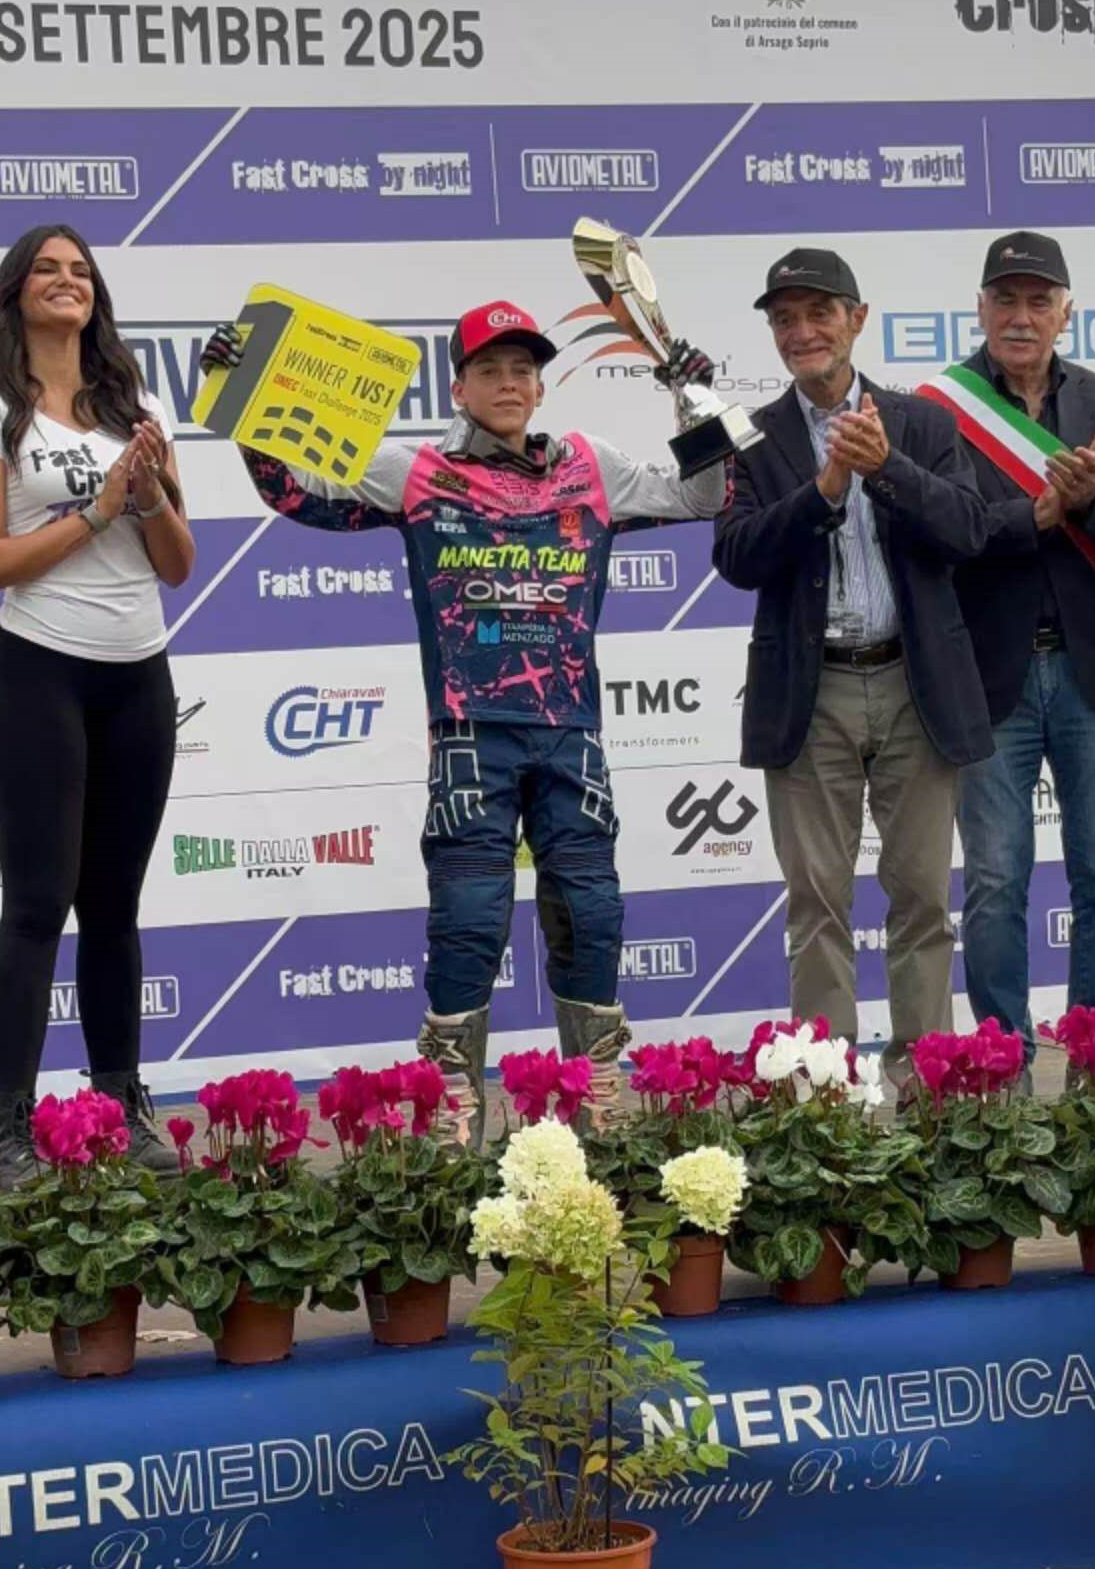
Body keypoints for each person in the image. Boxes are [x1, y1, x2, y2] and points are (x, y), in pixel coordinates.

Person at [203, 300, 726, 1144]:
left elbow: (706, 494)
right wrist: (239, 392)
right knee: (470, 918)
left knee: (590, 912)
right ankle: (452, 1111)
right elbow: (293, 490)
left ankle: (595, 1089)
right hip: (468, 732)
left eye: (523, 369)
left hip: (569, 731)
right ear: (460, 386)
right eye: (491, 369)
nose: (509, 382)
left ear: (541, 384)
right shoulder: (415, 471)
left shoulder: (589, 466)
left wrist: (692, 399)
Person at [672, 249, 991, 1094]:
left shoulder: (919, 423)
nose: (801, 332)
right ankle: (825, 1100)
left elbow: (965, 531)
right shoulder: (750, 435)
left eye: (819, 314)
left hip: (912, 684)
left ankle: (929, 1098)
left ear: (856, 319)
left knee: (922, 897)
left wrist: (886, 468)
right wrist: (823, 489)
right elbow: (734, 556)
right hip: (807, 693)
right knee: (816, 908)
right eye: (784, 319)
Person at [0, 225, 195, 1187]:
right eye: (47, 269)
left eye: (80, 270)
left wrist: (146, 499)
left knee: (116, 907)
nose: (67, 282)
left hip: (139, 674)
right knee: (39, 902)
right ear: (16, 294)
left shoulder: (137, 407)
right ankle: (11, 1128)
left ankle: (122, 1102)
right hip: (38, 670)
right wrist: (93, 511)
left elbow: (177, 565)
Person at [945, 232, 1095, 1066]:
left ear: (1066, 314)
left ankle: (1086, 1063)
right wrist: (1036, 513)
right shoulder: (940, 410)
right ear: (980, 309)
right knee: (995, 884)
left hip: (1086, 674)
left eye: (1039, 301)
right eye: (1005, 299)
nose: (1021, 316)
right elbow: (937, 534)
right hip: (989, 673)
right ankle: (999, 1069)